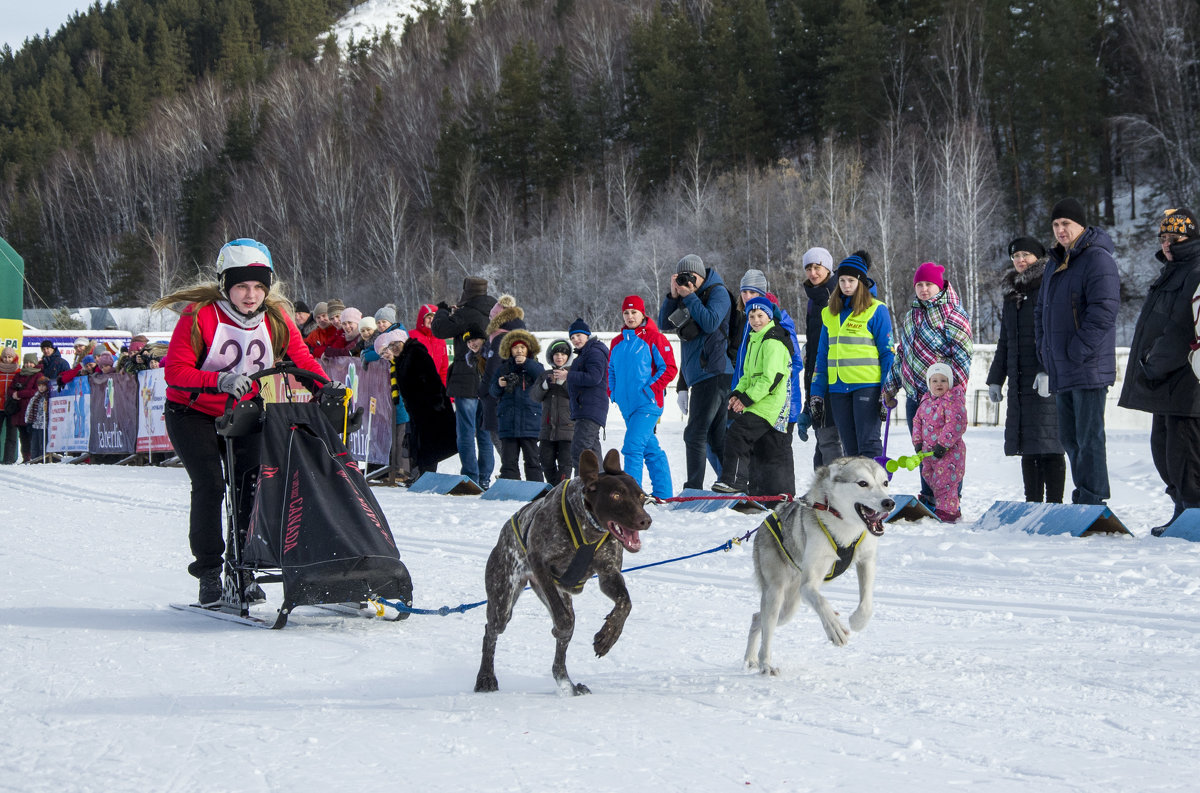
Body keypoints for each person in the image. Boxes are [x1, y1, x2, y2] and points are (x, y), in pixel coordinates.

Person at [154, 238, 332, 607]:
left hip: (245, 412)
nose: (250, 295)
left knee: (250, 488)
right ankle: (208, 572)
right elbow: (175, 371)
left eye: (258, 287)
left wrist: (326, 387)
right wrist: (218, 380)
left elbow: (301, 358)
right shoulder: (200, 314)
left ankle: (244, 569)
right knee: (210, 485)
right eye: (241, 286)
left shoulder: (277, 316)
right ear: (225, 286)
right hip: (193, 413)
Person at [1034, 198, 1120, 505]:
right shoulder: (1055, 262)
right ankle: (1083, 493)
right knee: (1070, 438)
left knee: (1089, 437)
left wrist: (1077, 349)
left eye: (1066, 224)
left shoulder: (1097, 259)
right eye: (1056, 225)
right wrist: (1044, 350)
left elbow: (1104, 311)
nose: (1060, 230)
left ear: (1081, 225)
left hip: (1088, 364)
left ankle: (1094, 497)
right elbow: (1041, 311)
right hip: (1062, 365)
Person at [1119, 208, 1200, 534]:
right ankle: (1182, 510)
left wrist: (1153, 365)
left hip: (1184, 382)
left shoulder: (1194, 270)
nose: (1167, 244)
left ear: (1190, 238)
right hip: (1164, 382)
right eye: (1163, 238)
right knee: (1164, 451)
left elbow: (1180, 328)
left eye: (1174, 238)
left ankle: (1193, 515)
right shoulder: (1172, 270)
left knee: (1185, 456)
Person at [882, 260, 973, 507]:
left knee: (946, 451)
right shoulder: (912, 314)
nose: (924, 289)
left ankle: (950, 498)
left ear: (940, 286)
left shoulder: (954, 314)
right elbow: (903, 354)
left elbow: (963, 356)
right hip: (917, 397)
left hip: (943, 398)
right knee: (923, 450)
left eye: (929, 284)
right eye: (920, 284)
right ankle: (929, 495)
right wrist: (890, 387)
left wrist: (953, 394)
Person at [987, 237, 1066, 503]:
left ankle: (1054, 505)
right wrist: (996, 379)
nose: (1020, 260)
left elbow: (1057, 333)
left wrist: (1047, 371)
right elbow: (1005, 341)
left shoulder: (1050, 285)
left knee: (1050, 444)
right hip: (1021, 382)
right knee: (1028, 446)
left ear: (1038, 257)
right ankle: (1032, 503)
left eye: (1025, 254)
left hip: (1045, 379)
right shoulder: (1013, 295)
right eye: (1015, 256)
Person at [659, 254, 734, 489]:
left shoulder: (717, 293)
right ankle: (732, 483)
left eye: (690, 276)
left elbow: (710, 322)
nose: (685, 281)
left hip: (715, 373)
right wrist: (673, 296)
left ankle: (693, 487)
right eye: (681, 277)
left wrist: (690, 297)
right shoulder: (685, 297)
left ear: (700, 276)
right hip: (701, 377)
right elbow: (664, 324)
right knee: (715, 437)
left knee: (694, 434)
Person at [810, 252, 894, 459]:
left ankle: (875, 490)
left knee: (869, 443)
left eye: (851, 280)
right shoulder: (830, 313)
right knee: (850, 449)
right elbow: (822, 356)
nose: (846, 285)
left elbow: (887, 354)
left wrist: (887, 390)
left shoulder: (876, 310)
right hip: (838, 388)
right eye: (842, 280)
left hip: (867, 385)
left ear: (861, 282)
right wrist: (817, 392)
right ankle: (857, 491)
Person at [712, 296, 795, 497]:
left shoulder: (772, 341)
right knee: (760, 447)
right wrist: (737, 394)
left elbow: (771, 378)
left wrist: (746, 399)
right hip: (758, 402)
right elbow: (748, 376)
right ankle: (763, 491)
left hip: (769, 404)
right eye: (751, 316)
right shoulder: (754, 340)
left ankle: (735, 481)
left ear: (769, 316)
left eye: (760, 315)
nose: (756, 320)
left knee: (738, 433)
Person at [732, 267, 803, 495]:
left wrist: (773, 392)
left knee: (777, 453)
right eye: (744, 292)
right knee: (758, 453)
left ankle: (783, 498)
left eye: (753, 293)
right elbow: (745, 367)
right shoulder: (749, 323)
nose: (748, 298)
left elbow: (792, 363)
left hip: (779, 401)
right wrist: (740, 394)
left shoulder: (778, 321)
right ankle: (758, 497)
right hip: (755, 399)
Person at [431, 277, 497, 488]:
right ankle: (485, 477)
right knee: (485, 432)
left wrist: (441, 311)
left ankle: (470, 476)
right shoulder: (494, 312)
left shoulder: (465, 313)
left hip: (465, 377)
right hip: (487, 377)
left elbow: (439, 330)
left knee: (466, 431)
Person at [609, 295, 676, 499]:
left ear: (642, 313)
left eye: (634, 312)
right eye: (626, 313)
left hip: (648, 404)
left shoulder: (655, 338)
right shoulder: (616, 342)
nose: (630, 317)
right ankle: (664, 494)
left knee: (632, 446)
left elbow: (670, 368)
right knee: (650, 448)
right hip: (626, 406)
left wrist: (650, 389)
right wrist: (613, 392)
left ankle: (632, 497)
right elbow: (610, 369)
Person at [799, 246, 844, 467]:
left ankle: (836, 492)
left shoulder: (836, 294)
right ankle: (822, 490)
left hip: (833, 374)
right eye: (808, 268)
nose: (813, 273)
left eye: (817, 267)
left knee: (830, 438)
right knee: (822, 437)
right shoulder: (813, 299)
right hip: (816, 372)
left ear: (827, 268)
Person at [911, 363, 967, 523]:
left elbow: (956, 424)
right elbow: (917, 421)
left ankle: (949, 511)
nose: (939, 384)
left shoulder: (953, 401)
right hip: (928, 452)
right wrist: (917, 443)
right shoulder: (926, 401)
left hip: (949, 453)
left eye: (943, 380)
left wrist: (943, 445)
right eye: (934, 381)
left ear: (949, 382)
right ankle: (936, 505)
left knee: (946, 482)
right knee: (930, 477)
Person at [490, 330, 544, 482]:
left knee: (533, 460)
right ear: (509, 350)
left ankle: (536, 489)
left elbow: (542, 377)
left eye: (522, 347)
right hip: (508, 422)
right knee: (508, 461)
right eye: (515, 348)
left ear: (528, 350)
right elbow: (493, 391)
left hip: (530, 422)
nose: (519, 351)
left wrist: (527, 363)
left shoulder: (535, 366)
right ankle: (511, 487)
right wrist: (499, 385)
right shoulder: (503, 368)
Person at [362, 329, 415, 482]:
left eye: (386, 351)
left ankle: (402, 471)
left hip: (403, 409)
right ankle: (392, 469)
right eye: (382, 354)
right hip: (392, 410)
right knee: (393, 440)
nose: (385, 355)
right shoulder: (388, 364)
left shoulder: (400, 362)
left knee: (401, 440)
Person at [565, 318, 609, 475]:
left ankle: (580, 489)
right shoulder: (585, 354)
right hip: (588, 409)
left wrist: (568, 375)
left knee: (580, 451)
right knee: (592, 452)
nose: (575, 340)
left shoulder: (594, 352)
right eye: (572, 337)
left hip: (590, 409)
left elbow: (594, 377)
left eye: (578, 335)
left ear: (587, 335)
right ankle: (603, 486)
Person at [533, 339, 575, 483]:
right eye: (556, 354)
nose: (559, 357)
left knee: (565, 464)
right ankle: (553, 488)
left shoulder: (573, 374)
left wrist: (563, 383)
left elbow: (576, 395)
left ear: (568, 357)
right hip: (547, 429)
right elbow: (534, 396)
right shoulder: (545, 375)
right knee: (545, 460)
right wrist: (545, 386)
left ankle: (561, 490)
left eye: (563, 354)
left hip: (568, 430)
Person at [9, 353, 42, 462]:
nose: (28, 365)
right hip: (18, 410)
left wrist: (19, 394)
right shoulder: (19, 375)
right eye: (27, 362)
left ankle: (33, 456)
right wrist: (14, 393)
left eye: (31, 362)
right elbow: (10, 389)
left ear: (35, 363)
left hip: (31, 409)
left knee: (31, 435)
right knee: (23, 436)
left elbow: (35, 391)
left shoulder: (38, 376)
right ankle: (25, 457)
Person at [411, 303, 449, 385]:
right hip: (416, 385)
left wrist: (445, 390)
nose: (431, 320)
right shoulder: (411, 336)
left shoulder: (440, 339)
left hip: (435, 385)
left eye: (434, 318)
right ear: (422, 319)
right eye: (428, 317)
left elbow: (444, 369)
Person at [25, 375, 51, 462]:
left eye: (43, 386)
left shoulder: (49, 397)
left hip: (45, 425)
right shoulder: (36, 397)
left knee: (42, 444)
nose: (41, 388)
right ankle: (34, 459)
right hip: (35, 424)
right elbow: (29, 409)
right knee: (34, 444)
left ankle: (43, 459)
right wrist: (28, 421)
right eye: (39, 386)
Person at [1, 347, 20, 463]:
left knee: (11, 435)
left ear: (14, 358)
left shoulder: (18, 371)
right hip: (0, 406)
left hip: (13, 407)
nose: (7, 359)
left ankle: (9, 459)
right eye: (5, 357)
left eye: (9, 357)